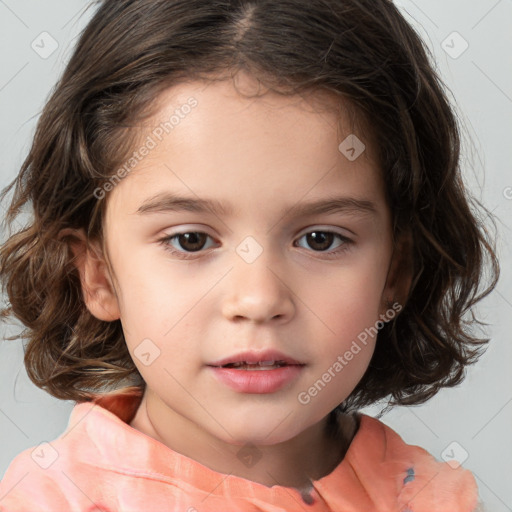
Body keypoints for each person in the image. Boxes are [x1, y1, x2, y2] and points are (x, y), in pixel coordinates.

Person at [0, 0, 498, 510]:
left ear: (395, 273)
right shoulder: (48, 500)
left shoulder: (435, 498)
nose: (258, 300)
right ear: (98, 274)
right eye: (190, 240)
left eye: (320, 239)